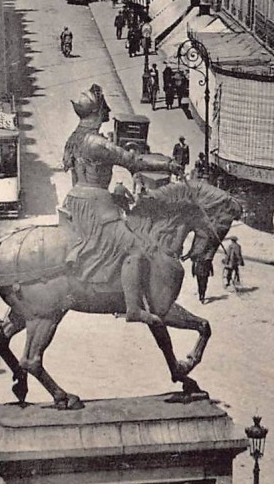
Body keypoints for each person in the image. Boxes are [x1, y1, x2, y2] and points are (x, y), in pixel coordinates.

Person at [62, 83, 184, 325]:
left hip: (75, 200)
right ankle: (133, 309)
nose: (107, 111)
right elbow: (133, 160)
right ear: (96, 111)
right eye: (103, 108)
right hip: (96, 205)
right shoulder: (96, 142)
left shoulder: (74, 137)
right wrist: (167, 165)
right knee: (135, 248)